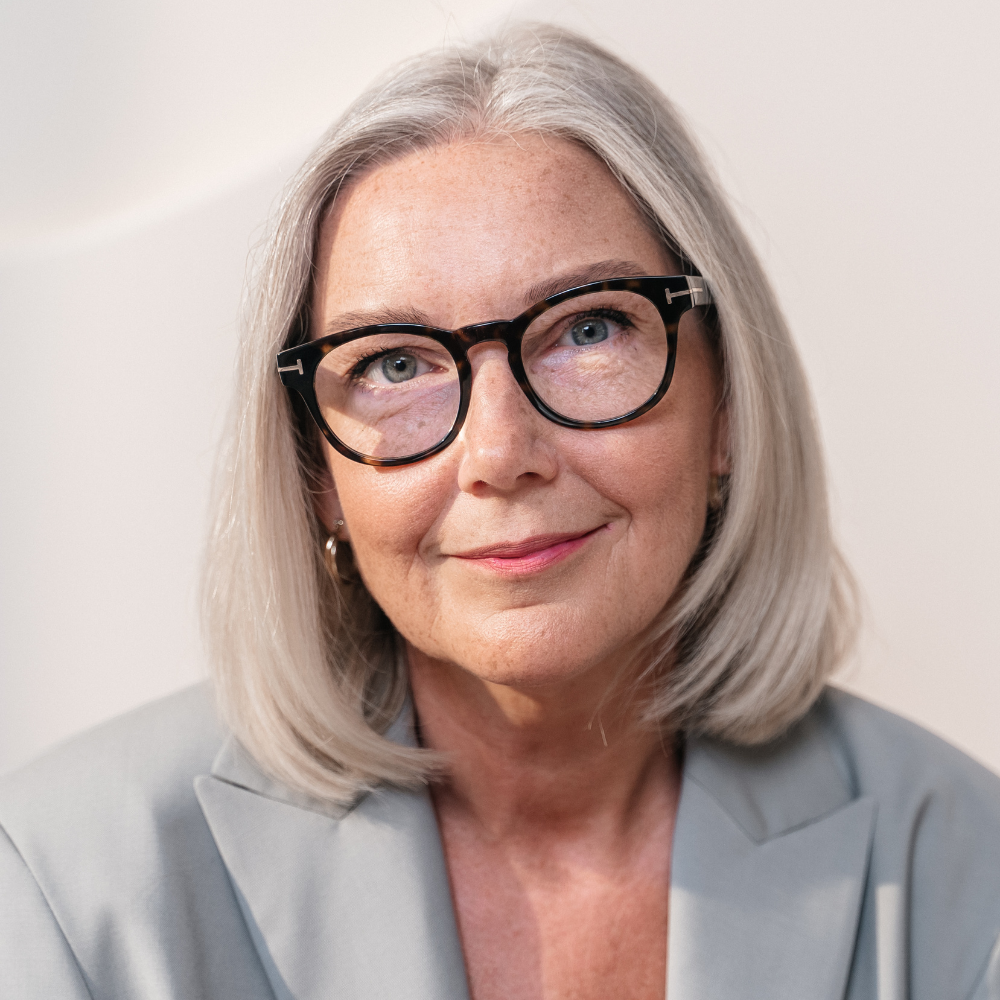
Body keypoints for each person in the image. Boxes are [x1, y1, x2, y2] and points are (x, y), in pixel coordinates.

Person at [1, 23, 998, 1000]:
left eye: (589, 329)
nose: (499, 455)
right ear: (318, 474)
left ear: (728, 406)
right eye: (397, 364)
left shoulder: (969, 875)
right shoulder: (63, 884)